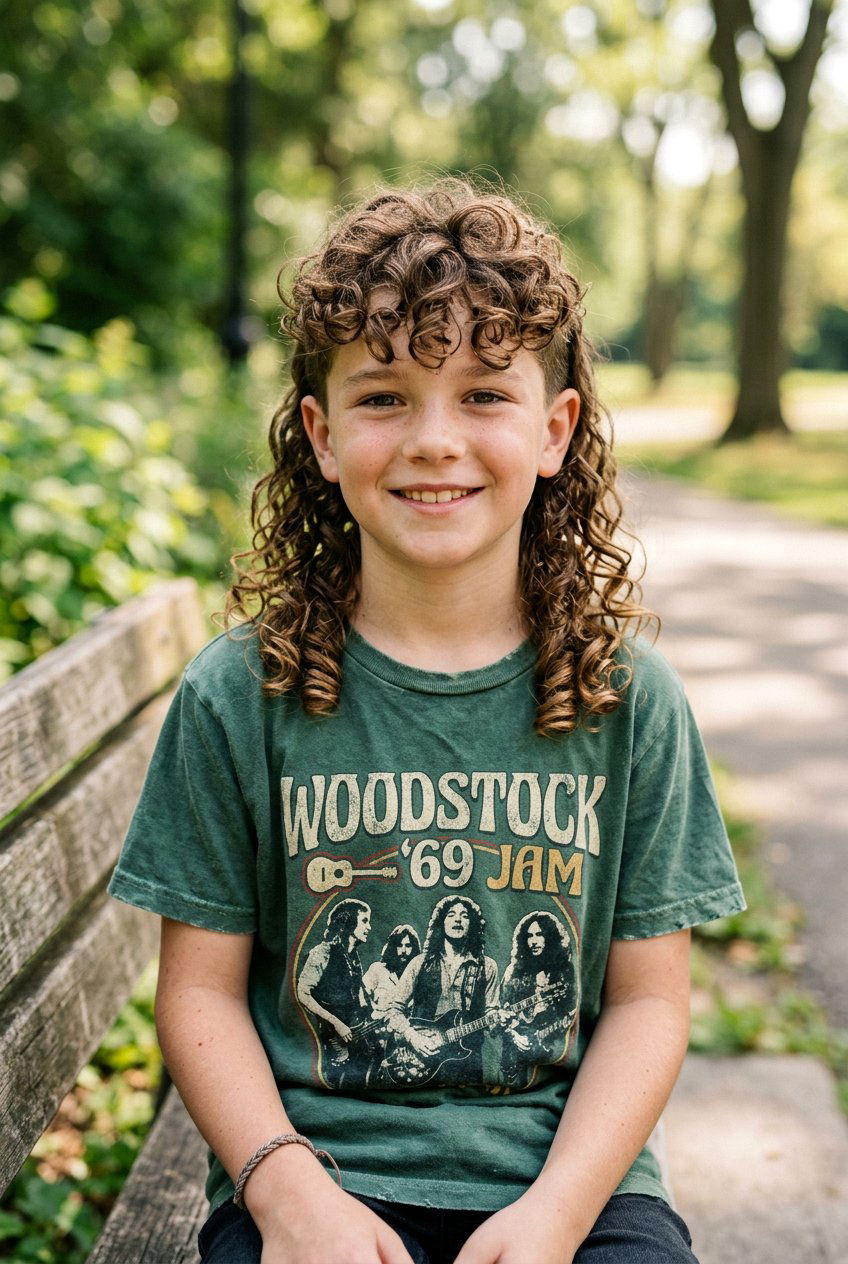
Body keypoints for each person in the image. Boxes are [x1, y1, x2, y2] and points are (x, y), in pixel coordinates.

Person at [108, 175, 745, 1264]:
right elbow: (200, 991)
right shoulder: (239, 696)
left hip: (566, 1186)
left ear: (554, 430)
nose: (432, 439)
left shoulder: (625, 703)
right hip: (312, 1181)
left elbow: (647, 1006)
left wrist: (554, 1213)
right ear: (319, 432)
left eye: (483, 394)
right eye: (384, 395)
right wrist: (283, 1189)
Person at [386, 896, 499, 1088]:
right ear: (441, 922)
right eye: (451, 914)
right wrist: (413, 1037)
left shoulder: (487, 966)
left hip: (467, 1063)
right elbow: (394, 1011)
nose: (458, 920)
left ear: (472, 924)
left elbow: (492, 1017)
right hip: (421, 1059)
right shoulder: (419, 963)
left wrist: (498, 1021)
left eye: (464, 916)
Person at [295, 898, 377, 1089]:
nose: (369, 927)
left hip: (355, 1030)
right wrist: (336, 1023)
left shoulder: (354, 957)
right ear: (349, 921)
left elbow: (359, 997)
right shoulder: (322, 952)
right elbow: (303, 993)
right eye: (364, 920)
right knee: (342, 1077)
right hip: (332, 1035)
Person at [500, 911, 578, 1089]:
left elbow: (568, 1015)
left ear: (550, 937)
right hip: (513, 1054)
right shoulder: (514, 973)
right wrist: (514, 1035)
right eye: (529, 936)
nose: (533, 941)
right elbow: (502, 1012)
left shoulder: (565, 971)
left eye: (539, 934)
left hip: (551, 1066)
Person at [363, 923, 421, 1015]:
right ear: (393, 947)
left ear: (414, 948)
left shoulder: (420, 976)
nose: (403, 950)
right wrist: (372, 1013)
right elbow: (361, 995)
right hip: (378, 1025)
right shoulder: (378, 969)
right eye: (399, 945)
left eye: (408, 945)